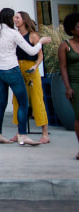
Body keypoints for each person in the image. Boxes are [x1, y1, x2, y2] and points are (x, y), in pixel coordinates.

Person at [0, 7, 50, 146]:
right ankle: (22, 135)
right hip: (12, 70)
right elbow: (32, 51)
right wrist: (41, 42)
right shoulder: (13, 33)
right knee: (23, 103)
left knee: (1, 104)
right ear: (9, 18)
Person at [11, 11, 50, 144]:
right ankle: (19, 132)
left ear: (24, 20)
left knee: (37, 99)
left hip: (31, 68)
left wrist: (35, 66)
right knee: (17, 100)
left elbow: (40, 56)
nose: (15, 20)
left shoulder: (33, 36)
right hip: (17, 68)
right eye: (14, 18)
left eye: (17, 17)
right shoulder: (15, 36)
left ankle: (45, 133)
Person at [57, 12, 79, 160]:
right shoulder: (65, 45)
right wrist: (67, 87)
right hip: (75, 84)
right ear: (72, 29)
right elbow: (63, 67)